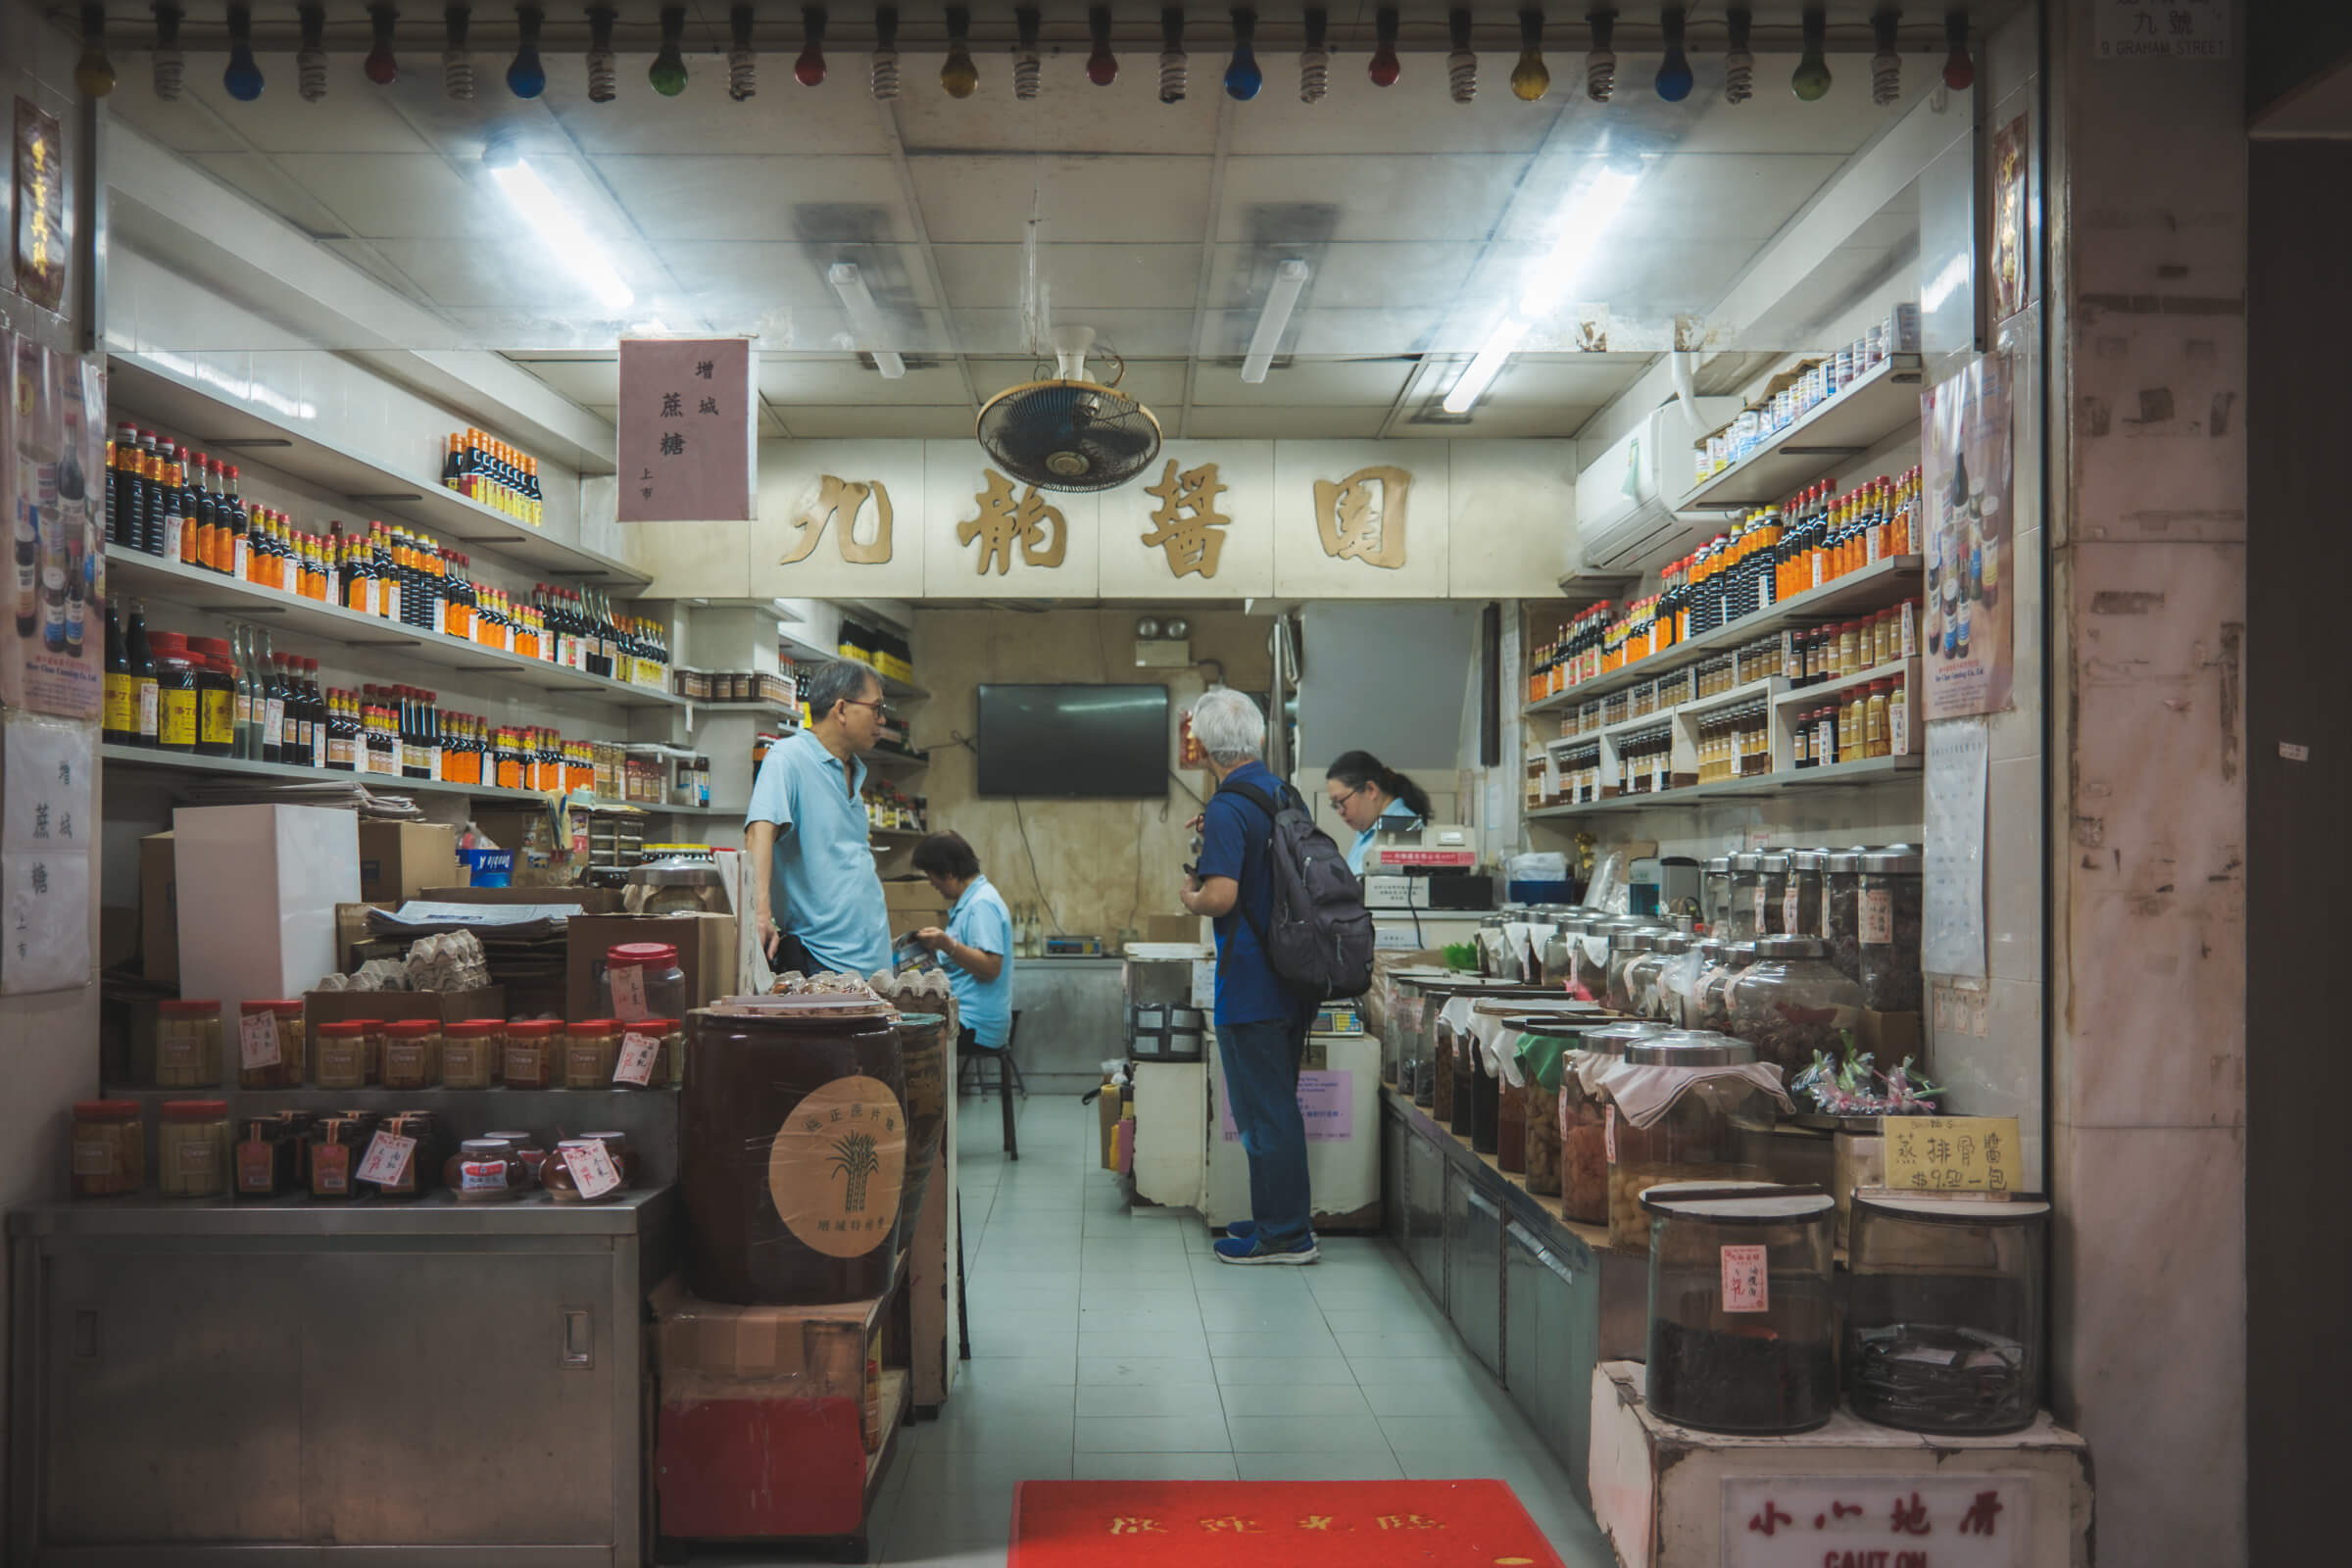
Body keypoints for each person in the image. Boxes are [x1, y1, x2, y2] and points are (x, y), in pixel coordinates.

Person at [1180, 687, 1319, 1266]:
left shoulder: (1227, 807)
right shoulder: (1282, 794)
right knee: (1276, 1104)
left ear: (1205, 746)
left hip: (1253, 979)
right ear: (1259, 738)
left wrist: (1189, 896)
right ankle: (1277, 1218)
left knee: (1265, 1114)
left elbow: (1222, 895)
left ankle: (1285, 1235)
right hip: (1296, 976)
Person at [744, 660, 894, 979]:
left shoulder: (853, 768)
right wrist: (760, 915)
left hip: (874, 959)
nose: (882, 720)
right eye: (876, 708)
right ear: (841, 709)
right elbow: (760, 833)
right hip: (823, 960)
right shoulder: (789, 758)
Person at [910, 830, 1014, 1054]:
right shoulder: (968, 904)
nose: (931, 883)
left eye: (931, 876)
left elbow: (991, 967)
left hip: (974, 1024)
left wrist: (947, 944)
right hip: (962, 1015)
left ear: (948, 873)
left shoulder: (981, 905)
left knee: (903, 1044)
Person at [1324, 750, 1434, 874]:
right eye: (1335, 805)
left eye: (1341, 801)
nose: (1340, 812)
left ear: (1371, 790)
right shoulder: (1366, 830)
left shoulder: (1404, 830)